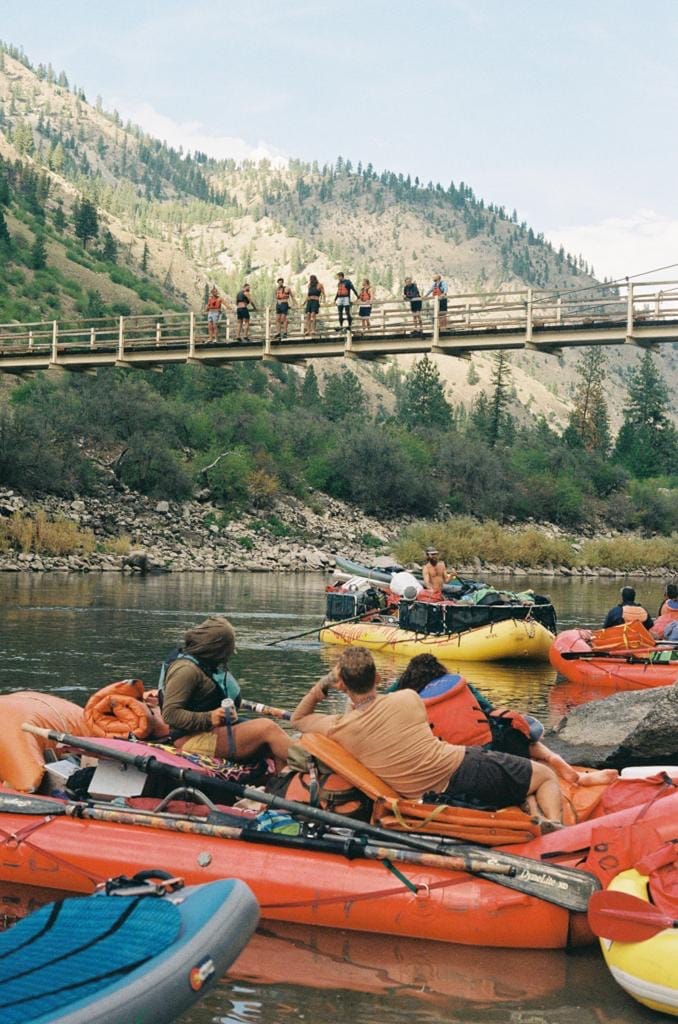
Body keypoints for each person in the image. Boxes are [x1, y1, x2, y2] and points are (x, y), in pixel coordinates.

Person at [291, 647, 564, 823]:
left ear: (341, 686)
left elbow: (298, 719)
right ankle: (555, 828)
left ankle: (534, 812)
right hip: (460, 768)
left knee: (516, 783)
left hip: (423, 795)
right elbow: (376, 707)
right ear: (377, 679)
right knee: (545, 776)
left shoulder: (340, 728)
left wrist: (324, 684)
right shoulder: (408, 698)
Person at [393, 654, 618, 788]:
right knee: (509, 729)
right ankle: (561, 764)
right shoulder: (458, 684)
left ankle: (549, 770)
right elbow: (488, 709)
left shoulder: (407, 697)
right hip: (493, 745)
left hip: (458, 760)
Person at [160, 616, 291, 771]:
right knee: (267, 728)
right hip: (188, 738)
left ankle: (281, 782)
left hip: (209, 730)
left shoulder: (207, 665)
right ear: (215, 650)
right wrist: (210, 717)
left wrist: (225, 714)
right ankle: (312, 763)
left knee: (271, 743)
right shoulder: (186, 670)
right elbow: (170, 714)